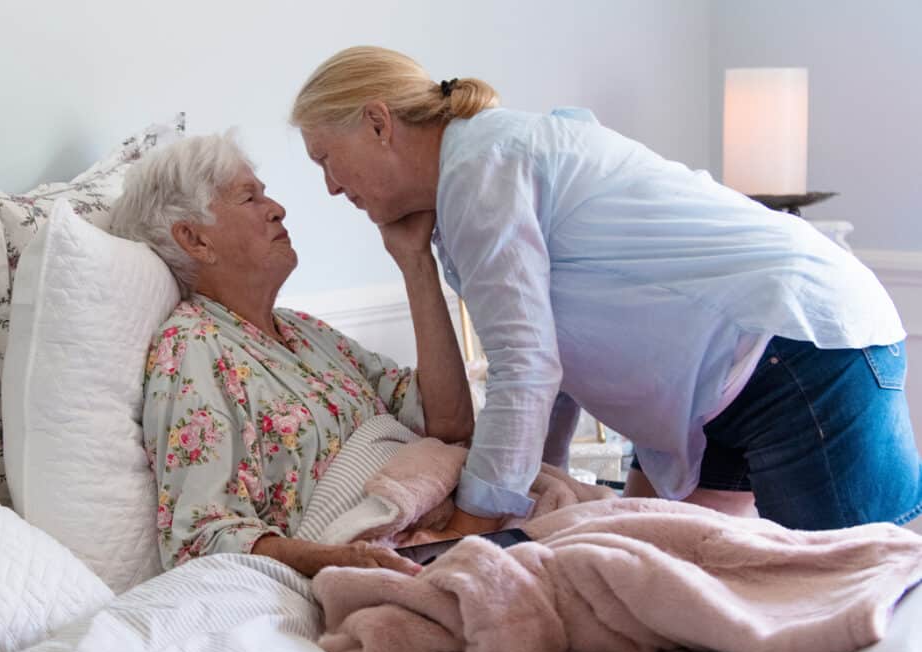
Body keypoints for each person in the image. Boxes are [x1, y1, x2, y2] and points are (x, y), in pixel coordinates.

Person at [290, 45, 922, 534]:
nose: (330, 187)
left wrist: (473, 525)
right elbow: (563, 358)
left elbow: (526, 366)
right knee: (677, 581)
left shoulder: (482, 167)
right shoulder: (474, 178)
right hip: (723, 385)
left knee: (845, 595)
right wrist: (546, 485)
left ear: (378, 123)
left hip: (794, 347)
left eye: (325, 158)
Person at [110, 132, 473, 576]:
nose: (277, 208)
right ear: (195, 239)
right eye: (249, 198)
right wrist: (342, 560)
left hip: (443, 527)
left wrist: (415, 262)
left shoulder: (307, 332)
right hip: (378, 557)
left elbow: (448, 422)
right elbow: (201, 538)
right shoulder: (192, 348)